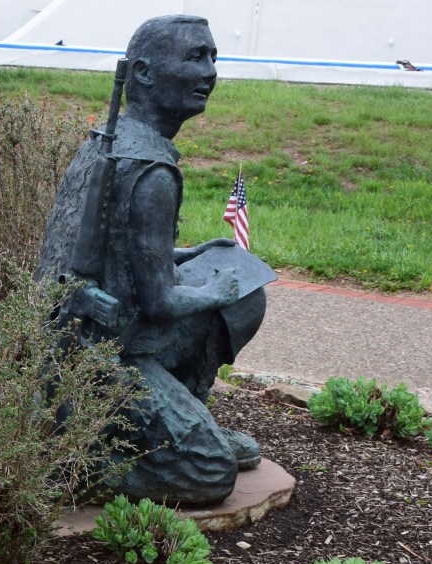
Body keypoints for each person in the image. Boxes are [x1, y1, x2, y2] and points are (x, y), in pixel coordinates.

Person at [36, 15, 270, 506]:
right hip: (104, 353)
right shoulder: (151, 170)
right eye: (194, 57)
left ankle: (180, 418)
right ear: (142, 72)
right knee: (212, 475)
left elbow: (114, 254)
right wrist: (212, 292)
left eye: (213, 57)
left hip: (100, 331)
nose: (209, 72)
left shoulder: (106, 140)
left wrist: (186, 254)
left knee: (246, 287)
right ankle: (82, 465)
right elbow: (160, 303)